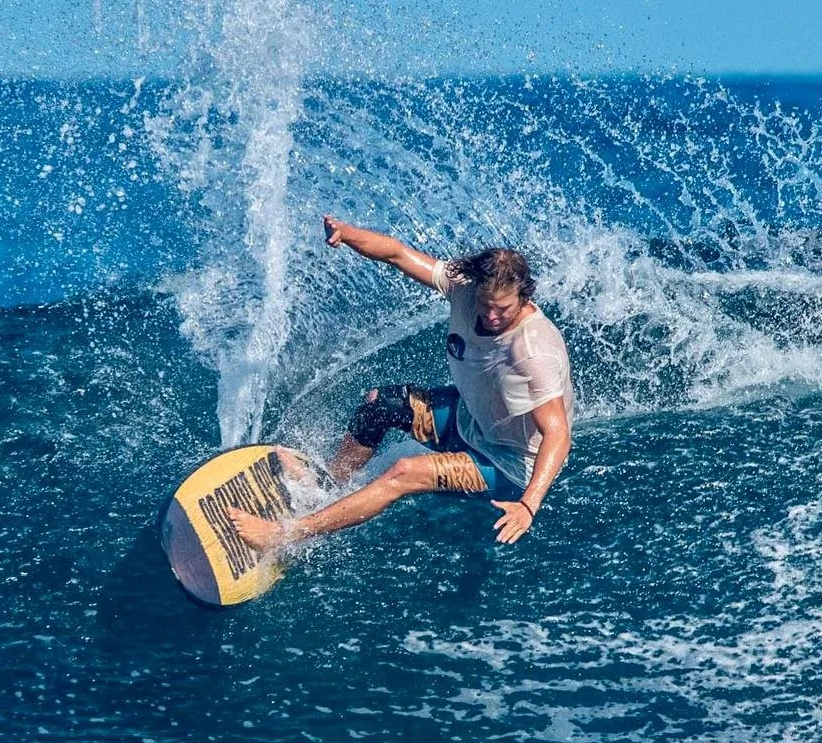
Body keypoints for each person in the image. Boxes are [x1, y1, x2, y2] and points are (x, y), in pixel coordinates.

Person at [229, 215, 574, 550]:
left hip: (508, 465)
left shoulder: (531, 353)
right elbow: (397, 253)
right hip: (473, 419)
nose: (491, 316)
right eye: (486, 305)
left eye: (503, 308)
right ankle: (327, 487)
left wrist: (528, 505)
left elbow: (558, 433)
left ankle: (288, 534)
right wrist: (347, 234)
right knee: (381, 405)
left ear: (523, 297)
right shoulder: (465, 291)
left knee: (403, 472)